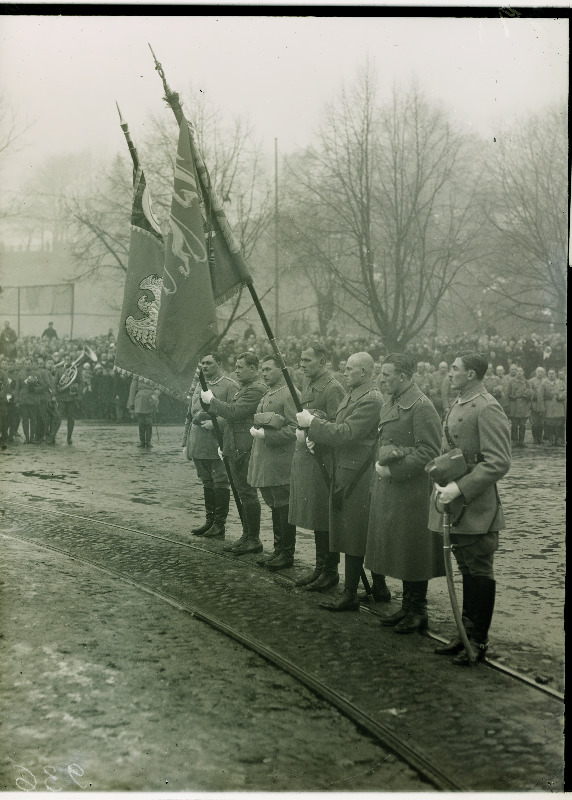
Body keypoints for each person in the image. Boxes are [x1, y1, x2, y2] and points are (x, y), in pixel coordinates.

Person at [428, 352, 511, 665]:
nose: (450, 374)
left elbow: (499, 461)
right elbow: (450, 449)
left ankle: (477, 640)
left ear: (473, 374)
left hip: (477, 504)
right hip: (455, 500)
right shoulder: (459, 402)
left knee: (478, 568)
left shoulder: (487, 407)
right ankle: (465, 632)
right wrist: (442, 479)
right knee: (465, 567)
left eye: (455, 369)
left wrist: (460, 488)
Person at [296, 352, 384, 611]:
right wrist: (318, 432)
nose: (344, 373)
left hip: (359, 474)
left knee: (356, 532)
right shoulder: (355, 393)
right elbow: (337, 423)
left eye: (349, 369)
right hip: (346, 469)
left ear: (364, 373)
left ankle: (350, 593)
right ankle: (378, 588)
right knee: (356, 531)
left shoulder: (371, 399)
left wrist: (314, 424)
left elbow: (347, 433)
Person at [365, 354, 444, 633]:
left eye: (386, 375)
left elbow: (431, 452)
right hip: (394, 490)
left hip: (413, 490)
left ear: (403, 376)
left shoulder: (422, 406)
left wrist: (393, 471)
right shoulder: (393, 401)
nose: (381, 379)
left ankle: (419, 610)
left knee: (413, 549)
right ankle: (407, 607)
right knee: (402, 548)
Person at [289, 343, 346, 591]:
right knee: (315, 514)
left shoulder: (332, 388)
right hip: (309, 457)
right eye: (301, 360)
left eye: (307, 360)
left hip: (323, 458)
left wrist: (314, 433)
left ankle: (330, 571)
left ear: (322, 362)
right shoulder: (309, 383)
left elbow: (337, 425)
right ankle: (320, 568)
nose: (302, 364)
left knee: (324, 516)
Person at [201, 352, 266, 555]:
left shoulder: (255, 390)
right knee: (242, 492)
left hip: (244, 447)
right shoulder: (245, 388)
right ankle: (247, 535)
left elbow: (234, 413)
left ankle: (253, 538)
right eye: (236, 367)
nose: (236, 370)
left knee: (247, 493)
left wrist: (212, 400)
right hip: (235, 446)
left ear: (253, 369)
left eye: (241, 367)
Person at [247, 356, 300, 570]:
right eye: (262, 369)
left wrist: (267, 437)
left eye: (269, 369)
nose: (264, 372)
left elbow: (295, 428)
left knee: (283, 505)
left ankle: (286, 553)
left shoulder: (290, 393)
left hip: (281, 461)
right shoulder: (268, 393)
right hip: (266, 460)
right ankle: (278, 550)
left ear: (281, 370)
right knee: (274, 504)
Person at [186, 353, 239, 539]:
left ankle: (219, 524)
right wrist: (186, 443)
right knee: (206, 481)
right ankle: (209, 521)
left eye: (209, 363)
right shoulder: (200, 384)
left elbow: (235, 413)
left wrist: (217, 423)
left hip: (217, 440)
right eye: (202, 364)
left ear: (219, 363)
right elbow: (189, 414)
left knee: (220, 481)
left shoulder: (229, 386)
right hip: (198, 441)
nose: (205, 366)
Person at [55, 355, 83, 444]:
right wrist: (55, 394)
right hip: (61, 397)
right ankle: (53, 436)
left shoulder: (76, 371)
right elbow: (55, 383)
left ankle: (69, 437)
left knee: (71, 418)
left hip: (71, 397)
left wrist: (76, 390)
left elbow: (81, 383)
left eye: (69, 360)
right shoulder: (59, 371)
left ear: (72, 361)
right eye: (65, 359)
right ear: (63, 361)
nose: (67, 361)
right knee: (58, 417)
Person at [128, 377, 160, 448]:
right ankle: (142, 441)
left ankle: (148, 441)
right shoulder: (137, 373)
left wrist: (156, 396)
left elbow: (158, 387)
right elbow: (132, 388)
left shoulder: (154, 374)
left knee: (149, 422)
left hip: (151, 399)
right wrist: (131, 403)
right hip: (140, 400)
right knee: (141, 422)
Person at [506, 365, 533, 447]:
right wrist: (507, 406)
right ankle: (514, 441)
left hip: (524, 405)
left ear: (523, 373)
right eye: (518, 371)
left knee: (522, 424)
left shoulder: (526, 382)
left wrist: (528, 396)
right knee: (514, 424)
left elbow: (531, 393)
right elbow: (507, 393)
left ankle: (521, 441)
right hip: (514, 405)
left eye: (521, 371)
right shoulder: (511, 382)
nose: (519, 373)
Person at [540, 369, 566, 446]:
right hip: (548, 406)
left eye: (552, 373)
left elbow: (564, 391)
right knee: (549, 423)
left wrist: (561, 396)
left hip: (558, 406)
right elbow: (540, 396)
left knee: (558, 423)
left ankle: (558, 440)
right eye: (549, 374)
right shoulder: (544, 383)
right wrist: (542, 407)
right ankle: (550, 440)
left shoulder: (561, 383)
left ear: (556, 374)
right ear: (547, 374)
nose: (551, 375)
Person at [528, 366, 546, 446]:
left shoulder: (545, 381)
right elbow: (529, 393)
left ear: (544, 373)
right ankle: (535, 438)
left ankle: (540, 438)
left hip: (542, 404)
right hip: (534, 404)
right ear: (535, 372)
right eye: (538, 372)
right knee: (535, 423)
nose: (540, 373)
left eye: (542, 372)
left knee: (541, 422)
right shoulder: (531, 381)